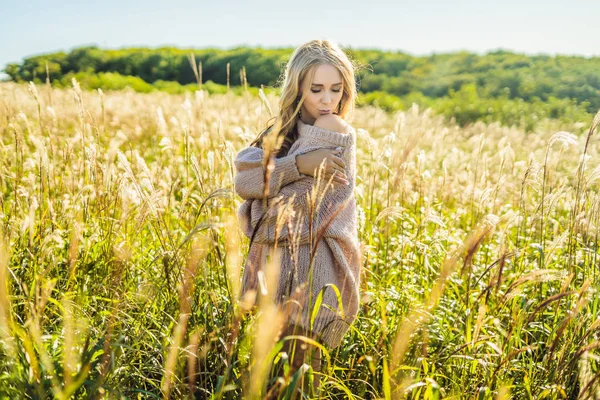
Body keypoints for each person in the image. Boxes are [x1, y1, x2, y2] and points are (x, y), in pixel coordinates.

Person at [233, 39, 362, 397]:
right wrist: (298, 165)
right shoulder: (282, 133)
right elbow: (243, 181)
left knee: (298, 379)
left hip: (312, 274)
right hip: (276, 272)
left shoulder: (335, 132)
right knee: (265, 376)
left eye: (336, 89)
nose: (327, 100)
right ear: (298, 89)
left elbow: (292, 211)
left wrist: (267, 188)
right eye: (316, 89)